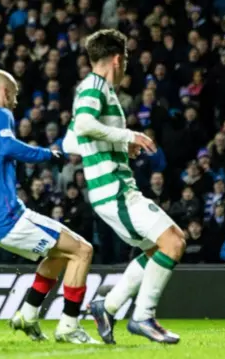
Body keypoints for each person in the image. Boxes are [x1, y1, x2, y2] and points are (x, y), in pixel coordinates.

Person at [63, 29, 185, 345]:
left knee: (157, 248)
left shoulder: (98, 89)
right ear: (118, 59)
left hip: (112, 189)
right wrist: (129, 136)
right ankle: (143, 317)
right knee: (174, 241)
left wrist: (120, 146)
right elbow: (83, 127)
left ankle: (109, 305)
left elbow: (76, 137)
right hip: (114, 190)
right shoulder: (94, 87)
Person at [0, 69, 98, 344]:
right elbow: (10, 146)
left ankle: (28, 313)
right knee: (83, 250)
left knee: (59, 255)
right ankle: (69, 325)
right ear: (4, 92)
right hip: (8, 216)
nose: (15, 101)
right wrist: (51, 154)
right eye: (14, 95)